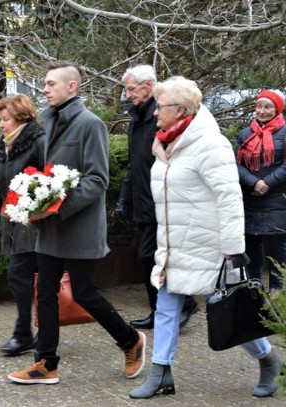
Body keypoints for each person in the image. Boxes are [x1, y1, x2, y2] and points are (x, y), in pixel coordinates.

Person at [129, 76, 283, 399]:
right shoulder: (164, 141)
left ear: (181, 109)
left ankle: (269, 358)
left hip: (210, 246)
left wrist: (233, 249)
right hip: (173, 245)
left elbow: (229, 198)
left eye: (161, 107)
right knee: (166, 306)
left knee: (232, 309)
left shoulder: (211, 144)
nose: (155, 113)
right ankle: (161, 374)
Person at [8, 61, 146, 385]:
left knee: (84, 293)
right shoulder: (49, 123)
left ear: (72, 87)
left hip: (79, 227)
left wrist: (55, 208)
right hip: (50, 229)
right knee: (45, 294)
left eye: (51, 83)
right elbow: (46, 177)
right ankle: (46, 364)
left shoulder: (90, 124)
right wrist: (32, 206)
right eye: (44, 83)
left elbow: (98, 179)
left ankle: (131, 341)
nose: (44, 89)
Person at [116, 65, 199, 330]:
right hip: (144, 200)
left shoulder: (163, 116)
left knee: (151, 256)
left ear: (148, 85)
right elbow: (135, 163)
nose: (128, 94)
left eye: (131, 88)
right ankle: (164, 310)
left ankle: (181, 305)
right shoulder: (137, 120)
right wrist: (123, 199)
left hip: (164, 200)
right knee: (151, 257)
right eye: (127, 89)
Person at [0, 94, 45, 356]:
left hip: (35, 223)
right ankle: (36, 333)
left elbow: (50, 180)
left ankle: (25, 334)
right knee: (30, 280)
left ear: (21, 117)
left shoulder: (38, 141)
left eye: (5, 119)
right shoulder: (3, 145)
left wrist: (36, 210)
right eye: (0, 120)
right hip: (13, 221)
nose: (1, 125)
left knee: (21, 276)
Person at [236, 89, 286, 298]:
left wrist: (267, 182)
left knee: (278, 248)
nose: (262, 111)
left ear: (277, 109)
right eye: (259, 106)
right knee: (252, 247)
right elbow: (236, 165)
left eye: (268, 107)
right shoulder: (245, 134)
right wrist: (254, 183)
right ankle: (254, 292)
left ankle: (278, 293)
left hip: (277, 199)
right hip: (251, 198)